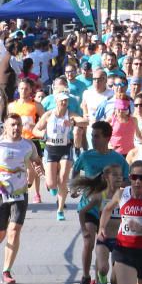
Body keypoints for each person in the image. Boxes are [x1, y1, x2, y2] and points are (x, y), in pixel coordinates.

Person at [71, 120, 130, 284]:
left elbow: (126, 180)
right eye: (92, 136)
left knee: (101, 247)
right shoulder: (86, 156)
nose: (93, 140)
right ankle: (86, 277)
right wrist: (74, 189)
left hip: (109, 210)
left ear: (107, 138)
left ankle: (99, 281)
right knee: (88, 241)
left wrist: (118, 186)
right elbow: (74, 173)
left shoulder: (118, 159)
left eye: (96, 136)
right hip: (89, 207)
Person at [0, 114, 44, 284]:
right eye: (12, 125)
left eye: (18, 124)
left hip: (20, 193)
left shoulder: (28, 145)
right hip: (1, 193)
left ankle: (6, 271)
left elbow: (36, 161)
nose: (16, 128)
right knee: (2, 233)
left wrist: (38, 170)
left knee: (14, 231)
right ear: (5, 127)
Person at [33, 92, 85, 220]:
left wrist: (73, 122)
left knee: (63, 179)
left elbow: (85, 121)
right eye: (61, 100)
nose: (64, 103)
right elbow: (35, 130)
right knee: (51, 183)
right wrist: (43, 135)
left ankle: (60, 210)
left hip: (65, 149)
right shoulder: (49, 115)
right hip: (51, 149)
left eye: (66, 100)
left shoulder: (70, 114)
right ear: (56, 101)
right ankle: (51, 186)